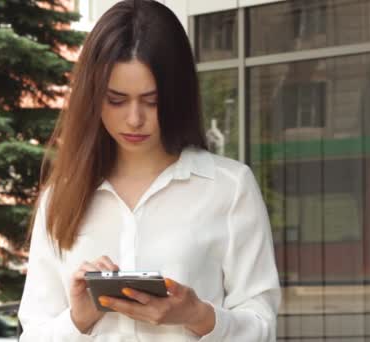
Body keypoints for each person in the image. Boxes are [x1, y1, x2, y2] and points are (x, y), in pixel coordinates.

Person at [17, 0, 281, 341]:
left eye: (152, 101)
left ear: (176, 96)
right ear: (92, 97)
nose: (134, 119)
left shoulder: (229, 188)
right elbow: (33, 335)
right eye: (116, 100)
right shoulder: (60, 199)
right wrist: (78, 319)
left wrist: (200, 317)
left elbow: (263, 328)